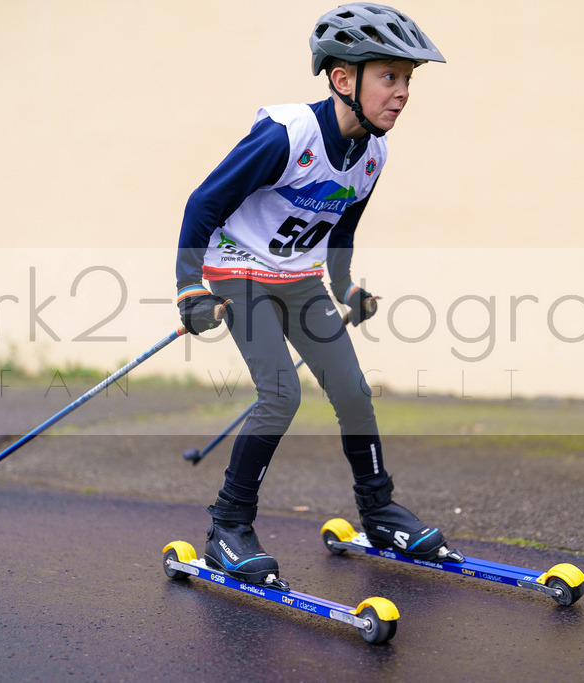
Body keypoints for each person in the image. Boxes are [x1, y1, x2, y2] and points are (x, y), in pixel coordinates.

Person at [175, 3, 449, 584]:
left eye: (407, 80)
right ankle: (228, 525)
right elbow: (202, 203)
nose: (401, 93)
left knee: (351, 389)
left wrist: (346, 287)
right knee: (280, 395)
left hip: (300, 279)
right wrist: (188, 288)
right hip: (237, 273)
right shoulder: (286, 135)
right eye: (388, 77)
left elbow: (341, 229)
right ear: (342, 79)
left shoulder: (372, 153)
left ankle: (378, 511)